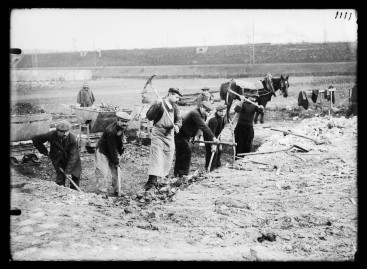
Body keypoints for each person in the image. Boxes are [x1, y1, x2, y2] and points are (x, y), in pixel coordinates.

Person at [143, 88, 183, 190]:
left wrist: (177, 126)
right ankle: (151, 182)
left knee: (168, 156)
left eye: (178, 98)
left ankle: (162, 179)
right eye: (176, 97)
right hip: (158, 133)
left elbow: (179, 120)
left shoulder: (175, 107)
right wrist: (156, 105)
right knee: (157, 156)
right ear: (170, 94)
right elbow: (149, 116)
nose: (177, 100)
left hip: (169, 134)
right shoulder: (160, 104)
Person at [174, 101, 219, 178]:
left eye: (209, 111)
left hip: (187, 136)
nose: (207, 113)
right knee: (187, 152)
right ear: (201, 107)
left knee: (181, 153)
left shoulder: (203, 115)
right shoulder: (194, 113)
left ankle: (177, 173)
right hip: (180, 134)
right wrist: (213, 137)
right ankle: (184, 173)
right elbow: (203, 126)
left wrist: (195, 136)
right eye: (206, 111)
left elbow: (199, 128)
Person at [32, 120, 82, 190]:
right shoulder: (51, 135)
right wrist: (44, 151)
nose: (64, 134)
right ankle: (60, 193)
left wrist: (68, 172)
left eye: (66, 132)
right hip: (58, 159)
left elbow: (72, 156)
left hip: (72, 160)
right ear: (57, 131)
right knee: (60, 179)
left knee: (75, 176)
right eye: (62, 132)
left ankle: (76, 195)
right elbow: (35, 139)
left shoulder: (73, 138)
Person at [94, 111, 132, 198]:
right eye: (122, 121)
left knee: (117, 171)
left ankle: (117, 190)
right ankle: (102, 191)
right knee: (103, 172)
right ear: (117, 120)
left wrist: (121, 152)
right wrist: (116, 161)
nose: (124, 124)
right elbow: (112, 148)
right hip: (102, 151)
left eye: (126, 122)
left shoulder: (123, 128)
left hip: (112, 150)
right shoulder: (111, 131)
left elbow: (119, 142)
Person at [203, 104, 227, 171]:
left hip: (216, 135)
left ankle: (217, 165)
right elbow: (211, 134)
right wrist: (212, 145)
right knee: (212, 151)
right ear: (217, 111)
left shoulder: (223, 117)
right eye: (221, 112)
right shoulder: (213, 120)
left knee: (219, 150)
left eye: (224, 111)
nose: (223, 113)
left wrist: (219, 140)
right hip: (209, 135)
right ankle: (210, 167)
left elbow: (220, 131)